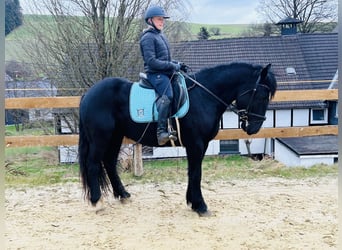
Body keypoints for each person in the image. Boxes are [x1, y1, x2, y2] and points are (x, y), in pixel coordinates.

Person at [139, 6, 184, 145]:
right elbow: (152, 62)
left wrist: (177, 64)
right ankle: (161, 132)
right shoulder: (147, 38)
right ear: (150, 20)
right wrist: (172, 66)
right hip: (155, 74)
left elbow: (165, 59)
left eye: (162, 19)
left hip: (165, 72)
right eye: (159, 19)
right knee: (168, 95)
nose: (162, 22)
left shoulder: (160, 36)